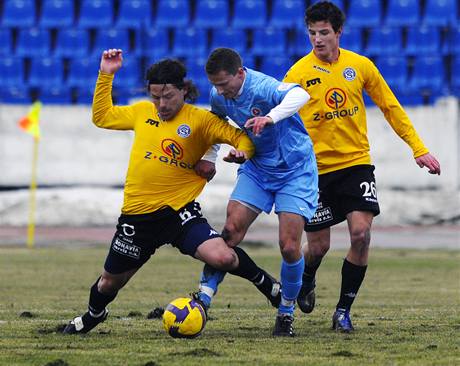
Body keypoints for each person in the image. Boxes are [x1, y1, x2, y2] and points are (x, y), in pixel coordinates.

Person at [63, 49, 282, 334]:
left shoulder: (201, 120)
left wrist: (242, 151)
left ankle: (268, 286)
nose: (161, 104)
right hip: (138, 219)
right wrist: (106, 74)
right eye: (156, 97)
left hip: (179, 212)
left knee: (224, 257)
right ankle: (93, 315)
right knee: (108, 283)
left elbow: (240, 136)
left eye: (168, 97)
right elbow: (102, 116)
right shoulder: (142, 112)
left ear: (183, 90)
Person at [283, 1, 441, 333]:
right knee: (319, 246)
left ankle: (342, 311)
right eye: (312, 33)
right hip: (315, 172)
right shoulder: (297, 74)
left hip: (355, 165)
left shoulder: (360, 65)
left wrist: (418, 149)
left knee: (361, 234)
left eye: (324, 32)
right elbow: (280, 119)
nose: (317, 39)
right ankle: (308, 277)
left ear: (339, 32)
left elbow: (390, 106)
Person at [193, 47, 318, 337]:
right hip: (258, 168)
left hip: (295, 170)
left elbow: (300, 95)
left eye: (224, 84)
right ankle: (203, 299)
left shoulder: (262, 86)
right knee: (230, 231)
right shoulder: (218, 95)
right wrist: (210, 159)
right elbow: (216, 124)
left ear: (240, 73)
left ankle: (286, 312)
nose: (220, 91)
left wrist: (270, 117)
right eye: (215, 85)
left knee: (289, 246)